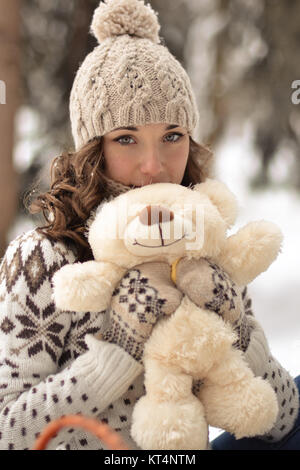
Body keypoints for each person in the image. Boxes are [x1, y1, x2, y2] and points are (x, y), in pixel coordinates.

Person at [0, 0, 298, 450]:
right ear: (92, 149)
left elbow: (285, 419)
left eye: (172, 136)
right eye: (126, 139)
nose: (154, 165)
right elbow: (8, 431)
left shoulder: (202, 240)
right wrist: (116, 349)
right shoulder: (43, 258)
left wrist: (237, 329)